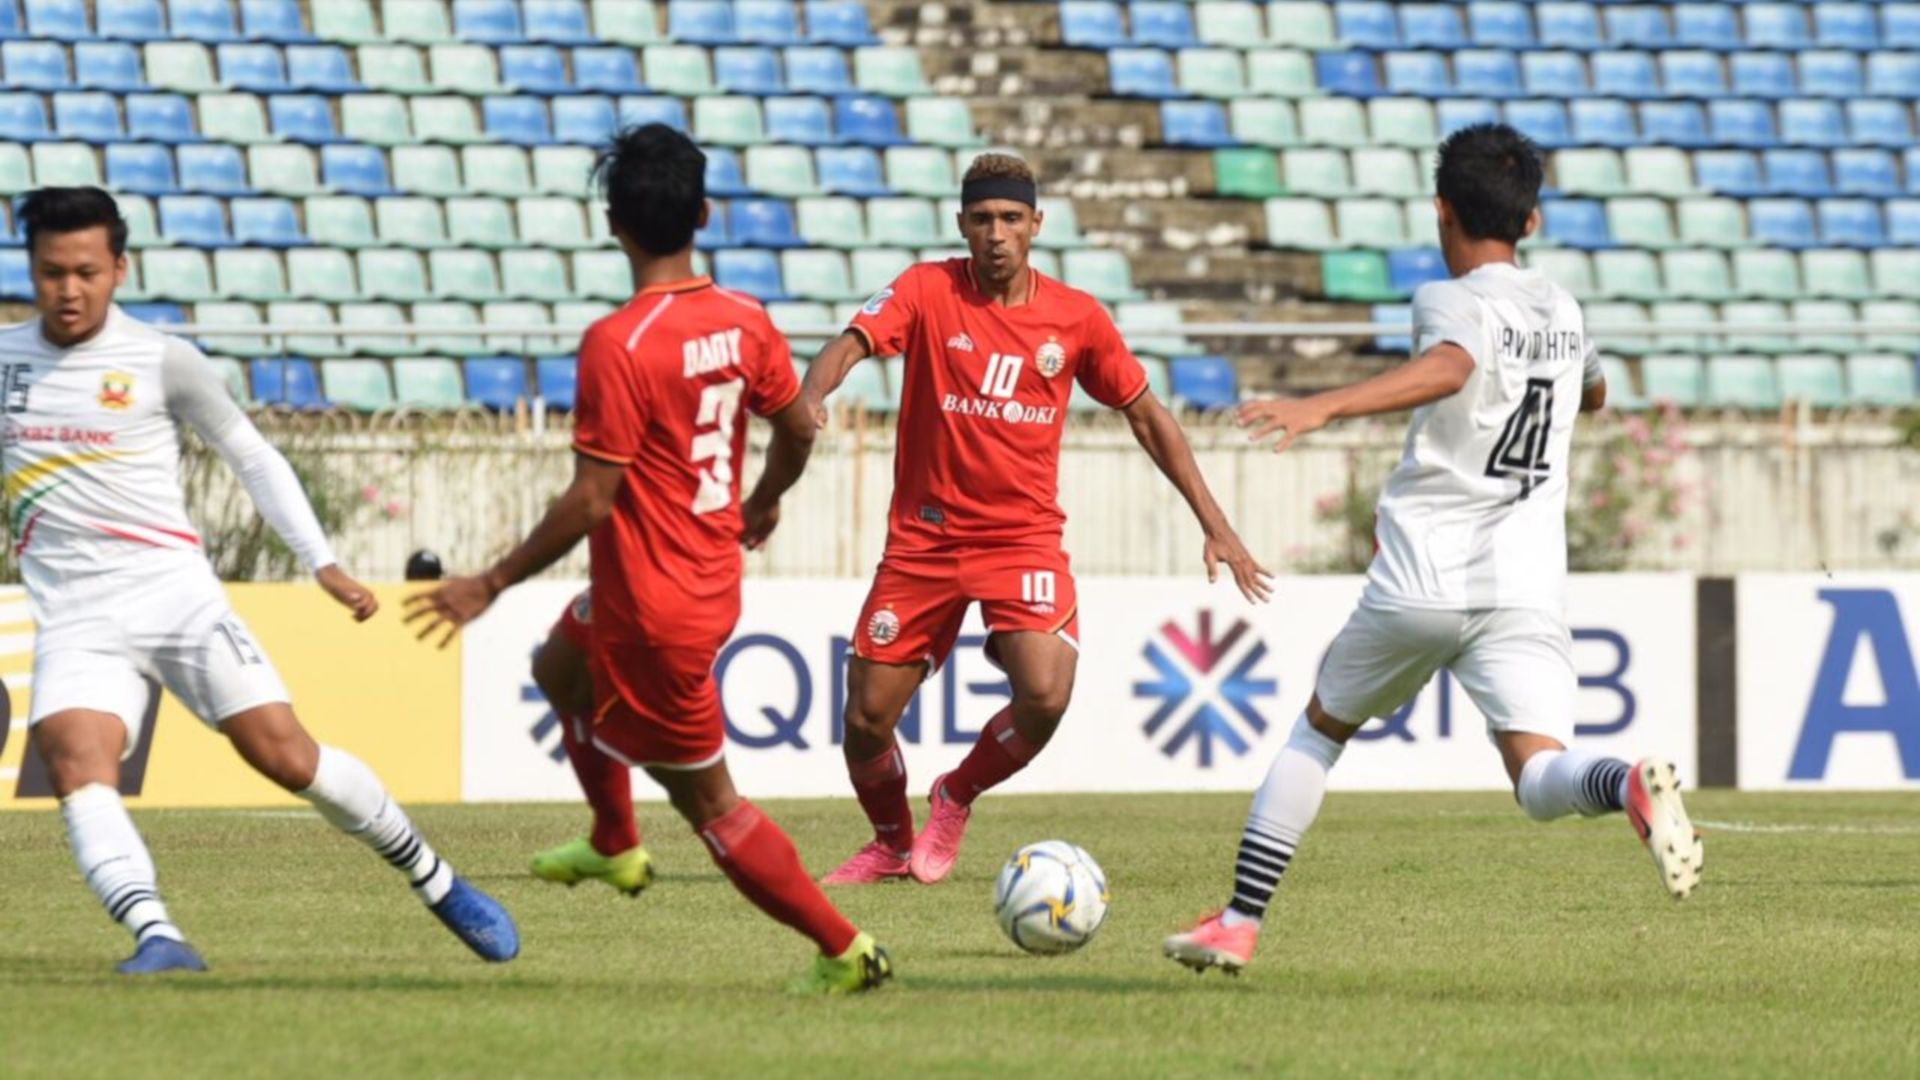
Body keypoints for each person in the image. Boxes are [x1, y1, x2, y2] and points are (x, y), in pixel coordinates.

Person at [1163, 124, 1703, 976]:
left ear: (1442, 212)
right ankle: (1626, 782)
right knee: (1539, 779)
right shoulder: (1564, 308)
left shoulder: (1448, 299)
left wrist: (1325, 406)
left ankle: (1238, 920)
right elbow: (1595, 392)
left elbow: (1453, 366)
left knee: (1319, 734)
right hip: (1523, 587)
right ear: (1531, 222)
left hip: (1423, 579)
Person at [404, 124, 892, 995]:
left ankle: (845, 950)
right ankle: (613, 844)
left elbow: (594, 496)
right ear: (704, 213)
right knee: (559, 665)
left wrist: (490, 580)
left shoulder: (620, 343)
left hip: (655, 612)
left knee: (713, 807)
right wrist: (766, 497)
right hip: (698, 580)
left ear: (612, 226)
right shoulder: (746, 320)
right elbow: (798, 426)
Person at [5, 187, 517, 975]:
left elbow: (253, 457)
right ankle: (158, 936)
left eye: (86, 272)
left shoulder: (164, 360)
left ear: (119, 268)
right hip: (76, 613)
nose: (68, 291)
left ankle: (435, 879)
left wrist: (324, 563)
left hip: (176, 596)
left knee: (285, 756)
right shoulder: (7, 366)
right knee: (74, 763)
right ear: (30, 270)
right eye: (50, 273)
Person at [802, 153, 1274, 887]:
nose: (996, 234)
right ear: (961, 224)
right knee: (865, 719)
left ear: (1036, 226)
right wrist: (812, 391)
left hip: (1020, 538)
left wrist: (1216, 523)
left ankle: (955, 794)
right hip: (924, 540)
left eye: (1011, 220)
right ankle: (892, 842)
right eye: (983, 219)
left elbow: (1148, 418)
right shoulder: (927, 289)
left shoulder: (1076, 316)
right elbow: (851, 344)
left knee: (1048, 693)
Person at [523, 589, 653, 896]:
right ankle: (614, 839)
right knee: (567, 675)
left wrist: (496, 579)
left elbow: (565, 535)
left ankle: (616, 843)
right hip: (667, 579)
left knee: (560, 673)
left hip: (653, 577)